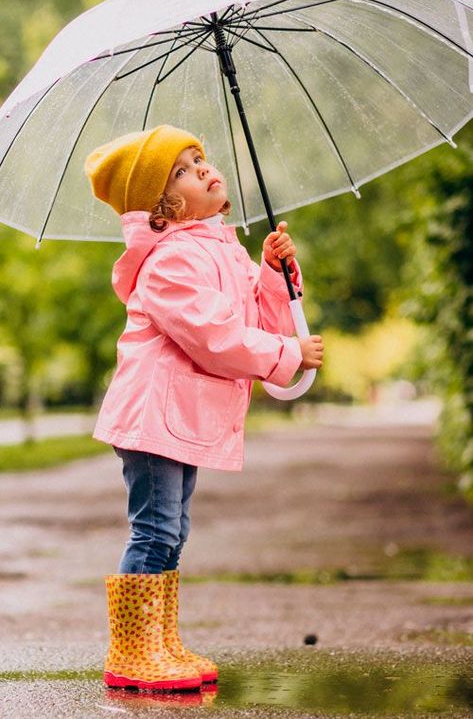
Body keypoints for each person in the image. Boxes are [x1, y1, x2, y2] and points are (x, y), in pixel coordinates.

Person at [84, 124, 324, 693]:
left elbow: (259, 322)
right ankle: (133, 651)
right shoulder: (169, 262)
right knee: (155, 530)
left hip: (180, 416)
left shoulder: (224, 249)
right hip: (153, 416)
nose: (207, 169)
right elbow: (214, 336)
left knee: (174, 529)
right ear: (164, 206)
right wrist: (287, 354)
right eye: (188, 169)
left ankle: (159, 641)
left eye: (203, 159)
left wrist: (272, 273)